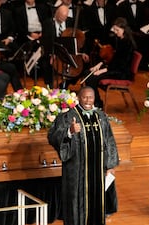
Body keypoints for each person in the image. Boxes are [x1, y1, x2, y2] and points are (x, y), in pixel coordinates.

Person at [48, 86, 119, 225]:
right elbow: (53, 137)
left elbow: (109, 139)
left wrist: (110, 165)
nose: (87, 100)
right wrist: (69, 131)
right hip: (77, 173)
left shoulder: (101, 117)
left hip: (98, 173)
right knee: (76, 209)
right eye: (85, 97)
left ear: (94, 99)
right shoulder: (68, 117)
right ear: (79, 98)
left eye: (90, 97)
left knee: (97, 205)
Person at [85, 17, 137, 109]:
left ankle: (98, 104)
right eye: (115, 29)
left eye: (117, 30)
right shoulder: (119, 40)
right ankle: (96, 102)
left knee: (92, 78)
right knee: (88, 73)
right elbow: (112, 59)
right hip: (115, 68)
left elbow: (121, 65)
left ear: (124, 29)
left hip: (122, 73)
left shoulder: (128, 44)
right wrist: (99, 65)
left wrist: (102, 71)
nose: (115, 32)